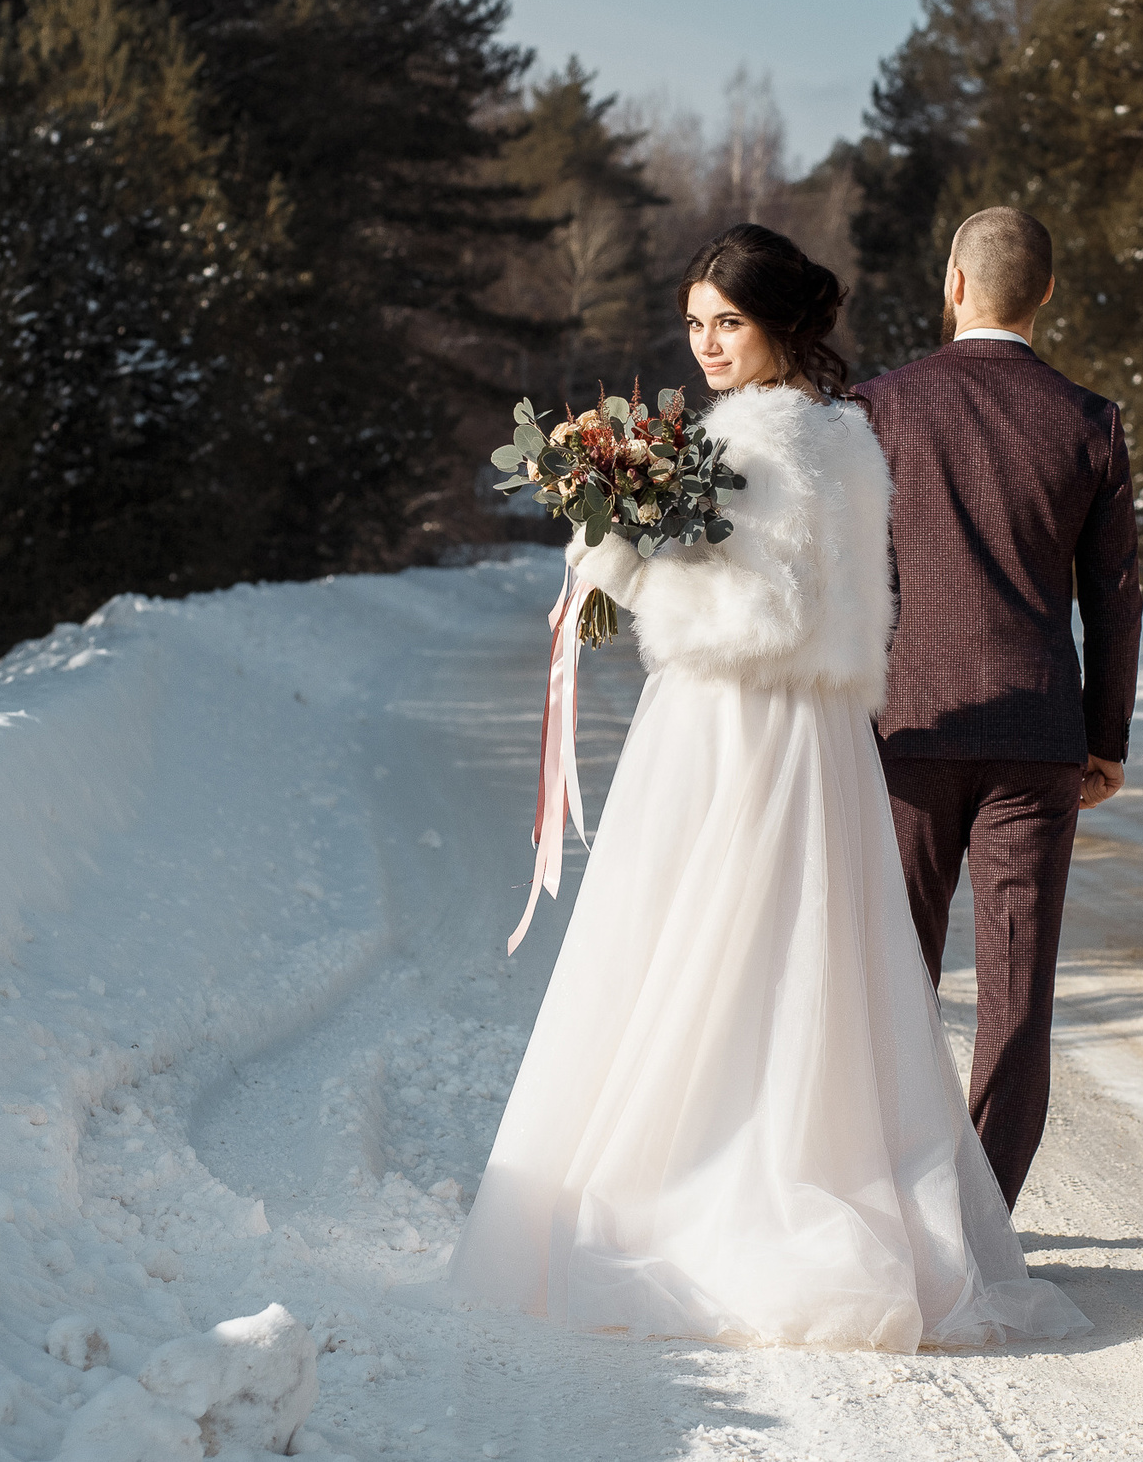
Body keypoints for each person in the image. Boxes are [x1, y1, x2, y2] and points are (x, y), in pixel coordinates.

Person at [448, 223, 1087, 1351]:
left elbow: (756, 616)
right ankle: (795, 1158)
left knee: (704, 947)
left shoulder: (753, 439)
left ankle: (699, 1187)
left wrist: (616, 554)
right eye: (695, 324)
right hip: (819, 732)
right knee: (796, 963)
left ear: (778, 326)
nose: (705, 346)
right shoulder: (843, 436)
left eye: (727, 323)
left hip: (737, 725)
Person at [857, 207, 1142, 1211]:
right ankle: (980, 1218)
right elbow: (1112, 596)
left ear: (953, 282)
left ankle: (884, 1202)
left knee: (891, 976)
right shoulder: (1088, 421)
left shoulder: (878, 406)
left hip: (904, 729)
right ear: (1046, 294)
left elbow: (854, 577)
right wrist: (1102, 740)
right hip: (1036, 735)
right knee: (1016, 991)